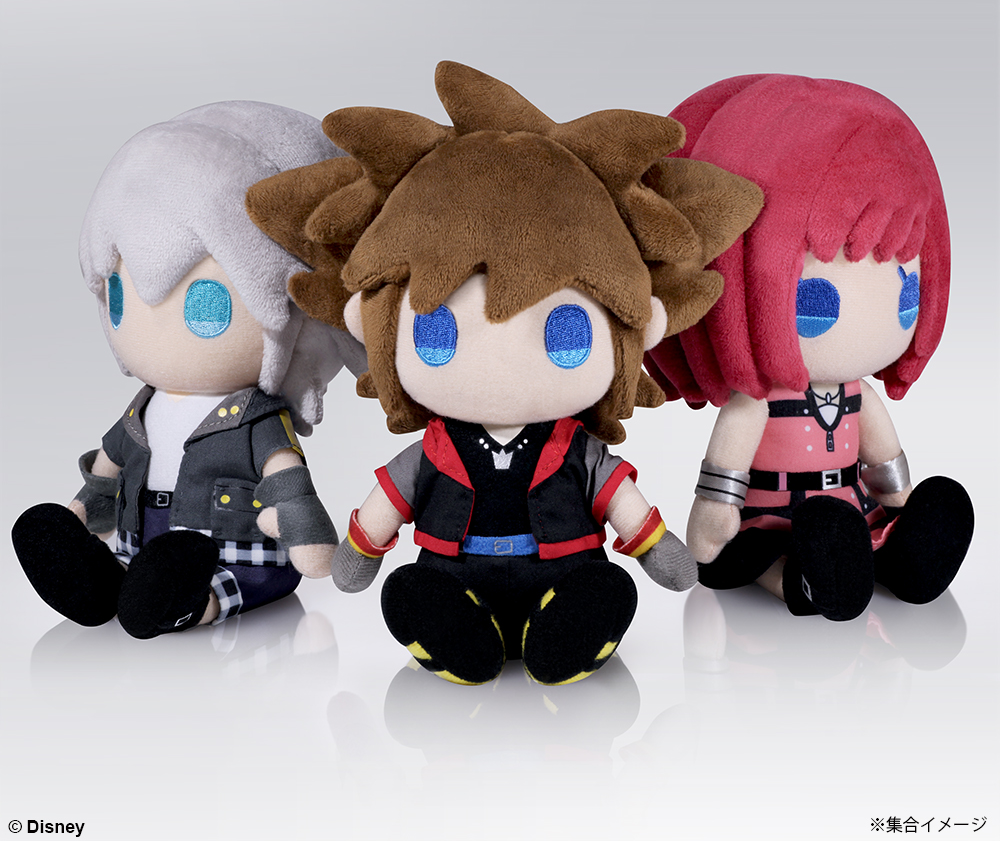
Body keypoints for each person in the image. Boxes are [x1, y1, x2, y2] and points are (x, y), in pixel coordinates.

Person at [248, 62, 763, 684]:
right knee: (409, 592)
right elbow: (387, 506)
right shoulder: (431, 454)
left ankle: (566, 634)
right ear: (371, 325)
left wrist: (657, 551)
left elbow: (622, 503)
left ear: (638, 325)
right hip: (454, 575)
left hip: (564, 572)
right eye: (437, 334)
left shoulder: (579, 451)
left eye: (565, 335)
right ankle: (459, 634)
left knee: (606, 588)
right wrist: (361, 550)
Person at [13, 101, 365, 638]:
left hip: (235, 551)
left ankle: (191, 604)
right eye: (119, 297)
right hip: (142, 537)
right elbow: (109, 467)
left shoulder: (256, 418)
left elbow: (286, 477)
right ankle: (104, 587)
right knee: (132, 566)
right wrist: (82, 511)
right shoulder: (144, 407)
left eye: (206, 305)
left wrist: (307, 537)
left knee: (210, 580)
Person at [645, 74, 974, 621]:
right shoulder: (755, 403)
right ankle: (803, 582)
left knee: (868, 525)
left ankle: (903, 563)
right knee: (781, 550)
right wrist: (714, 516)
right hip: (774, 522)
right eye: (818, 300)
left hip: (851, 511)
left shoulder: (857, 394)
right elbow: (726, 469)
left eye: (907, 296)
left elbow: (882, 458)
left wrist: (899, 499)